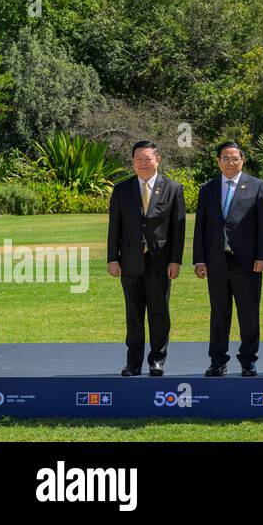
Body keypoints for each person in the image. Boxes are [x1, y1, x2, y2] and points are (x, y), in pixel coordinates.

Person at [107, 140, 186, 377]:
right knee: (133, 314)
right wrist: (113, 258)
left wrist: (176, 261)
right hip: (130, 261)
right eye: (139, 159)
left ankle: (157, 360)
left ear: (158, 160)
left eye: (148, 158)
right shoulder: (122, 190)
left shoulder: (173, 188)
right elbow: (115, 227)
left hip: (160, 262)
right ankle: (133, 363)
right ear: (132, 162)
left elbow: (177, 230)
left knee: (159, 313)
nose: (144, 163)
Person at [193, 141, 263, 377]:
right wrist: (199, 260)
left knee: (248, 313)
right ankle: (217, 360)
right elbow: (201, 227)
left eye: (234, 158)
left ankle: (248, 360)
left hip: (247, 261)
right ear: (218, 161)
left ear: (242, 160)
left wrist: (262, 256)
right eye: (225, 158)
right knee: (219, 313)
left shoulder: (258, 186)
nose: (230, 162)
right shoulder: (208, 188)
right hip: (216, 260)